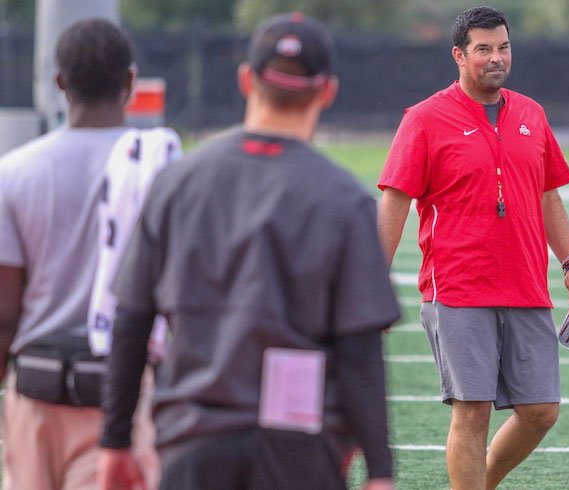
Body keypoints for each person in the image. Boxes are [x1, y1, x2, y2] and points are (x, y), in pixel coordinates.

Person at [96, 12, 401, 490]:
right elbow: (359, 348)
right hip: (299, 446)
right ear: (327, 91)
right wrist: (381, 469)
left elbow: (132, 319)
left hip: (193, 438)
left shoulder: (178, 183)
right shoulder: (342, 197)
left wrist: (115, 441)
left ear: (246, 79)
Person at [377, 6, 569, 489]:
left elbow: (548, 193)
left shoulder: (532, 112)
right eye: (484, 50)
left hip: (527, 283)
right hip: (458, 286)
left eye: (504, 47)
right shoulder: (425, 118)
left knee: (540, 411)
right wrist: (371, 283)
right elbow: (394, 202)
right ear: (459, 55)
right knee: (472, 413)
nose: (497, 58)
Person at [0, 18, 163, 490]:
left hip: (35, 391)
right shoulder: (158, 170)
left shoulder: (13, 173)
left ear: (59, 83)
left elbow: (5, 312)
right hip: (125, 390)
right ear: (130, 82)